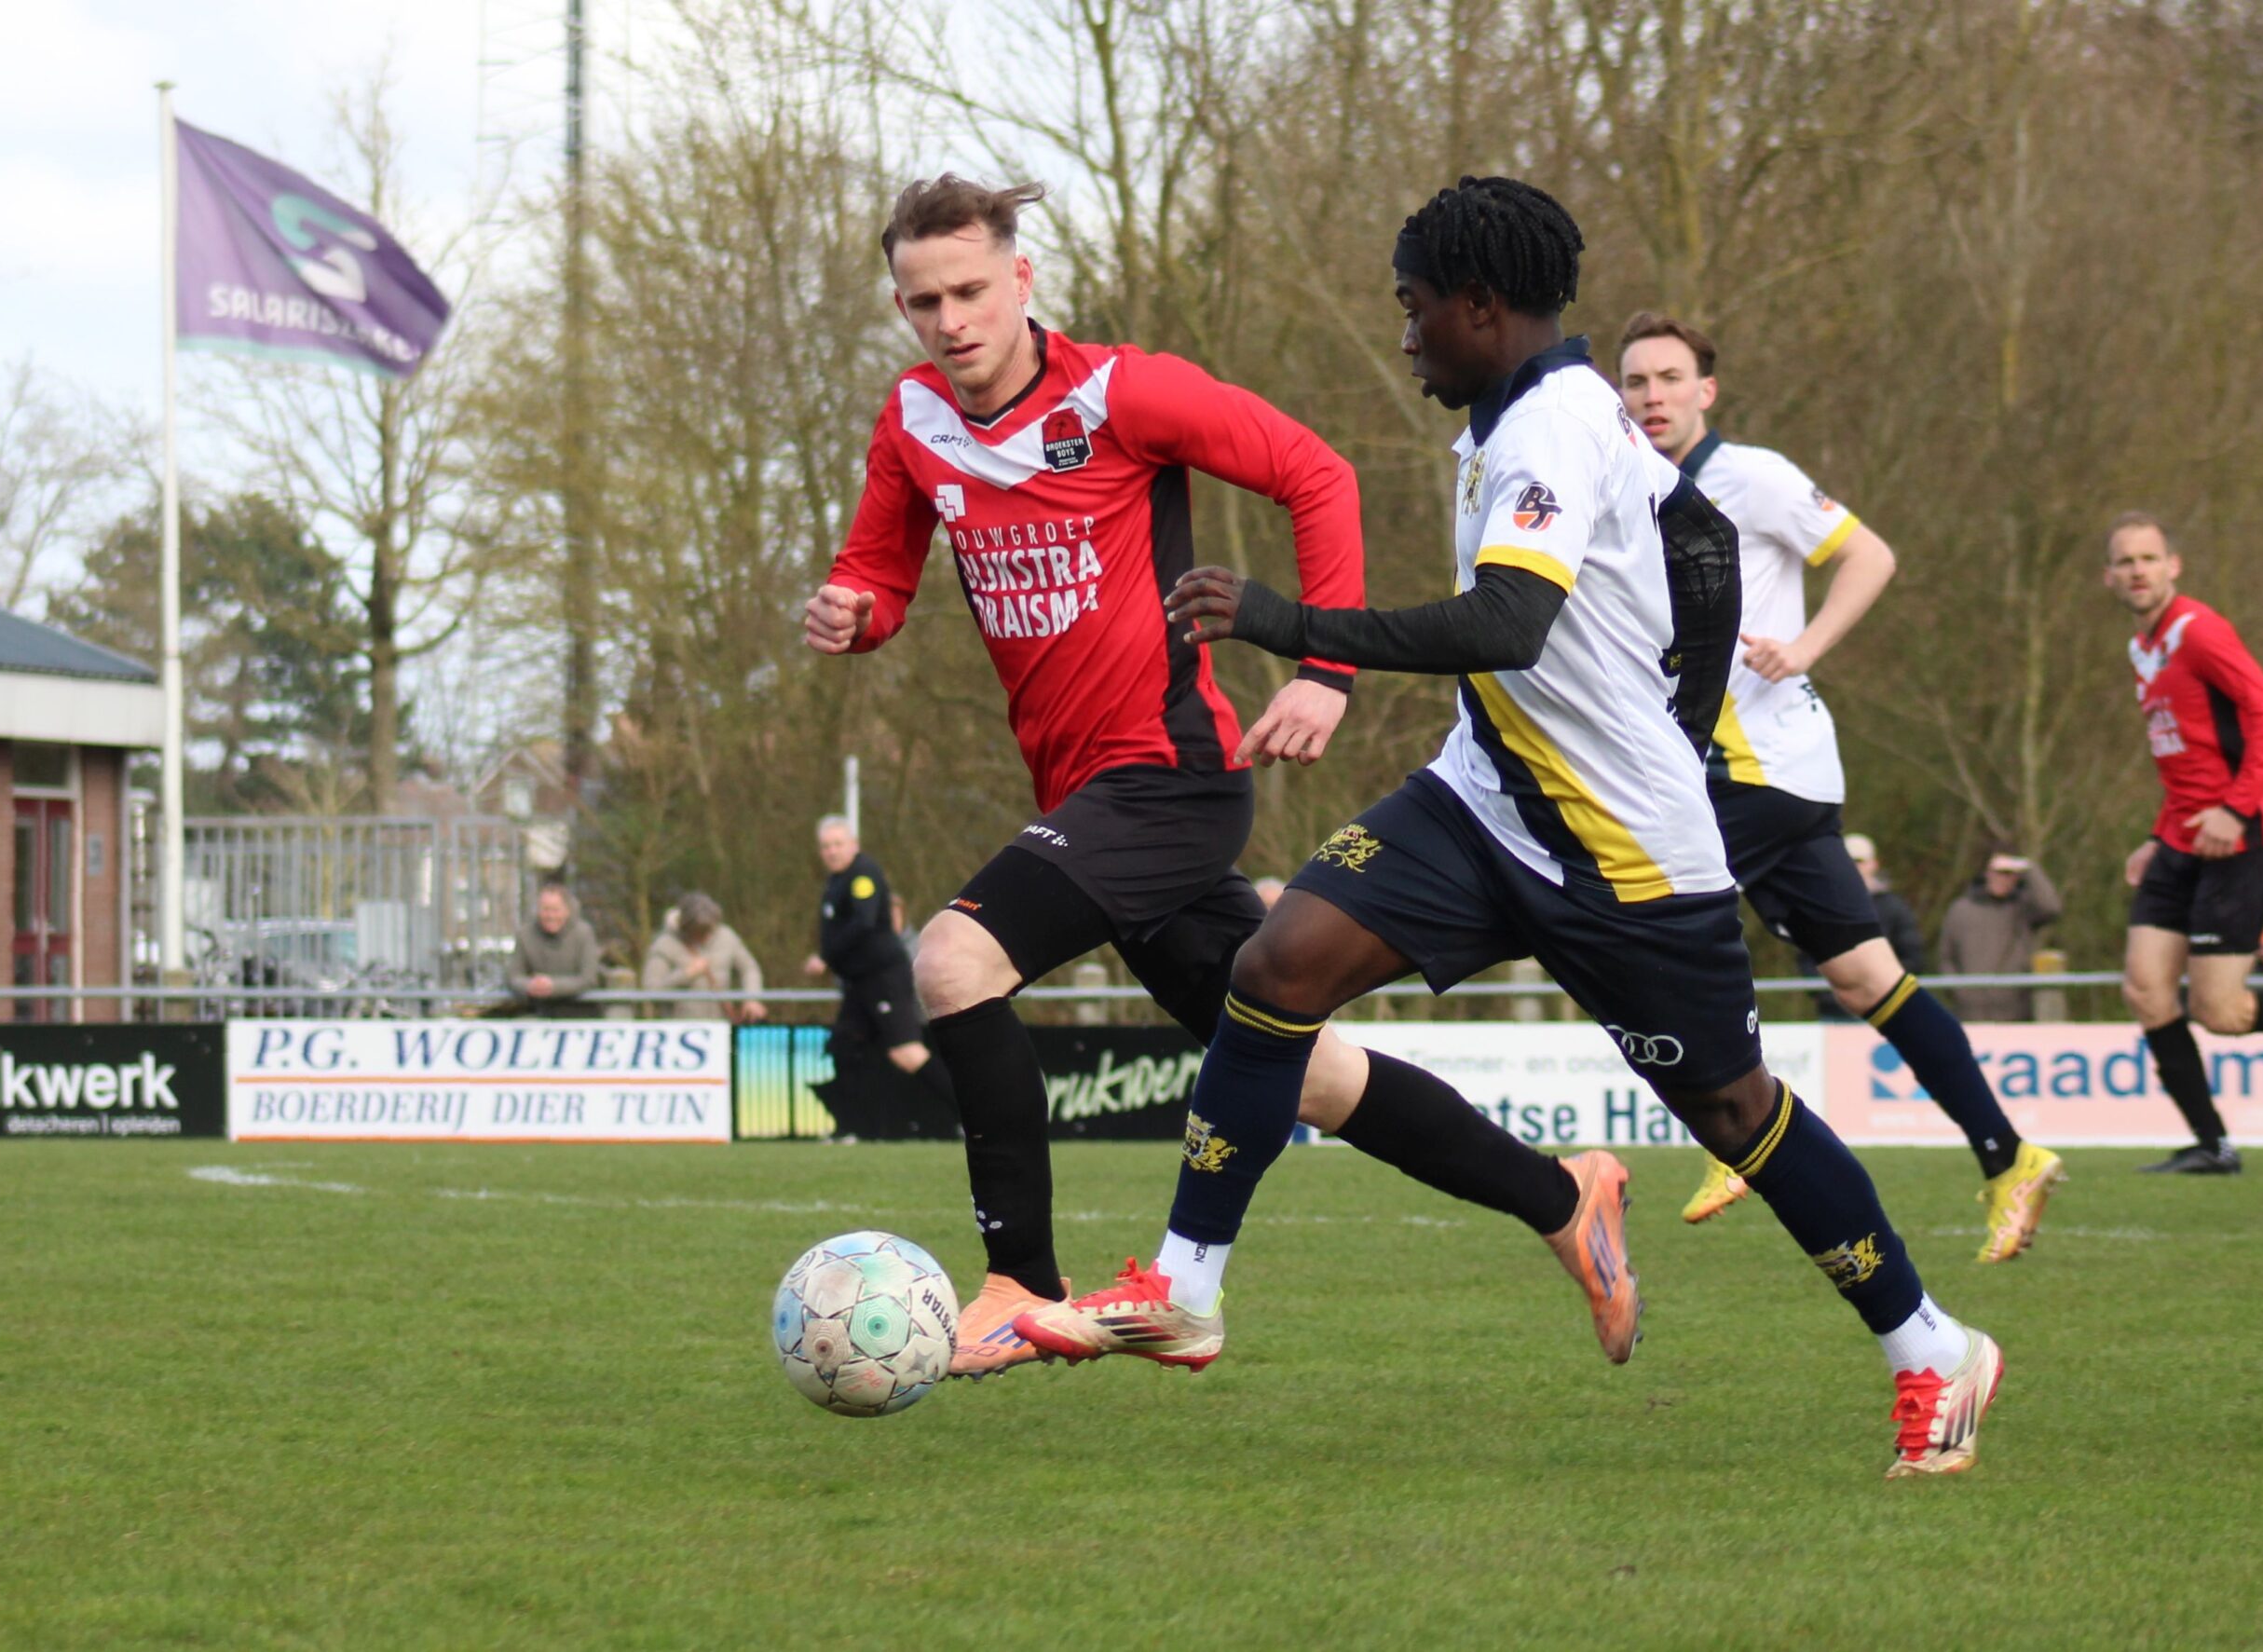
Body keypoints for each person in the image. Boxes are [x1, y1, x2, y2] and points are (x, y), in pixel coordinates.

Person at [1018, 177, 2002, 1479]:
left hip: (1624, 848)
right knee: (1275, 968)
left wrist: (1292, 622)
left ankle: (1933, 1343)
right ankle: (1187, 1288)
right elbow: (1697, 541)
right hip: (1483, 798)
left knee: (1733, 1109)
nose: (1406, 331)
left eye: (1415, 308)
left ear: (1482, 306)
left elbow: (1508, 625)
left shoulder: (1548, 426)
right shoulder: (1532, 416)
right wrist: (1684, 707)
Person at [807, 173, 1630, 1379]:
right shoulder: (912, 423)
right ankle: (1564, 1196)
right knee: (1315, 1067)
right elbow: (878, 575)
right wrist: (853, 611)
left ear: (1022, 280)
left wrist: (1326, 665)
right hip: (1083, 796)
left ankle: (1017, 1280)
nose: (951, 319)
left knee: (952, 957)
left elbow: (1317, 472)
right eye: (924, 301)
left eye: (973, 289)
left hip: (1169, 775)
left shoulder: (1125, 390)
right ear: (900, 305)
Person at [1615, 311, 2060, 1263]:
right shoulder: (1635, 491)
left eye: (1667, 378)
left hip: (1757, 768)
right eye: (1635, 382)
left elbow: (1871, 555)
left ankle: (1736, 1125)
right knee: (1865, 977)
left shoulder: (1753, 476)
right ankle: (2007, 1154)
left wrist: (1805, 648)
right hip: (1774, 772)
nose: (1650, 395)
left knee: (1639, 921)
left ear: (1706, 391)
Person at [2105, 512, 2263, 1173]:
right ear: (2110, 577)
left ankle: (2213, 1142)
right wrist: (2157, 835)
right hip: (2178, 842)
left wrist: (2234, 812)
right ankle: (2213, 1144)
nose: (2138, 570)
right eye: (2125, 561)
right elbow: (2185, 760)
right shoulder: (2141, 649)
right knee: (2146, 989)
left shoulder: (2197, 631)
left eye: (2149, 558)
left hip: (2235, 843)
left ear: (2173, 565)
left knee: (2223, 1011)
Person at [802, 817, 944, 1090]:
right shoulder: (836, 880)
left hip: (882, 977)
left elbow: (863, 922)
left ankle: (970, 1115)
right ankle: (851, 1127)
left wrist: (825, 957)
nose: (831, 851)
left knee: (907, 1053)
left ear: (854, 845)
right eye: (825, 846)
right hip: (858, 982)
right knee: (842, 1047)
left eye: (837, 844)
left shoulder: (862, 875)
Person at [1798, 834, 1924, 1019]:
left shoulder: (1894, 907)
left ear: (1874, 864)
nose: (1853, 866)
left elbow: (1912, 957)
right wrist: (1828, 994)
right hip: (1835, 1013)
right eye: (1847, 860)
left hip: (1886, 1012)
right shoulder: (1818, 905)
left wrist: (1882, 990)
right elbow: (1807, 957)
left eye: (1859, 861)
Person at [1939, 850, 2063, 1022]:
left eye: (2011, 874)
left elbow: (2052, 908)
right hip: (1970, 1012)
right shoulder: (1960, 910)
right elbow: (1946, 957)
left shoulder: (2023, 910)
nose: (2004, 879)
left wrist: (2029, 867)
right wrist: (1958, 992)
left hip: (2014, 1011)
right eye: (2000, 873)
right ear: (1988, 873)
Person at [642, 892, 767, 1023]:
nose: (706, 936)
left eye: (709, 930)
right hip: (680, 1030)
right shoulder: (664, 944)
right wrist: (686, 974)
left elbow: (749, 968)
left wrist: (752, 999)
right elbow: (652, 992)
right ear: (685, 927)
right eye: (699, 932)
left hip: (721, 1027)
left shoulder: (727, 936)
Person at [506, 880, 601, 1017]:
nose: (550, 916)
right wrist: (530, 985)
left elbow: (588, 978)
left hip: (579, 1012)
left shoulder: (584, 933)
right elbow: (513, 975)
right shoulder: (524, 934)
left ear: (567, 911)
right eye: (546, 910)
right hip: (536, 1010)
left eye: (555, 910)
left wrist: (553, 986)